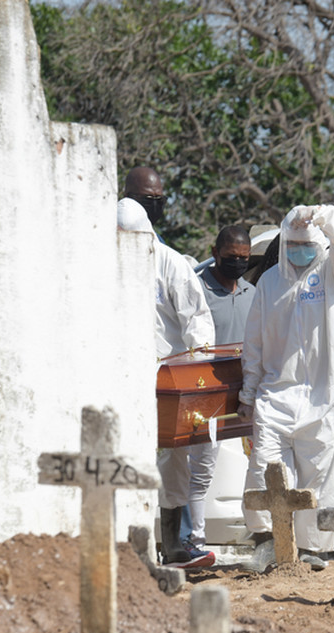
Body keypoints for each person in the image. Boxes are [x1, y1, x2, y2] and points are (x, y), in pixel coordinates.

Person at [237, 205, 334, 561]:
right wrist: (249, 392)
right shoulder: (269, 282)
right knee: (263, 470)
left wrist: (329, 218)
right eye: (291, 243)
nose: (298, 249)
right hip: (275, 395)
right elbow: (255, 343)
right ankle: (266, 543)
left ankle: (312, 549)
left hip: (324, 397)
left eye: (305, 242)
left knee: (318, 477)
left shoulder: (333, 273)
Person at [117, 168, 217, 568]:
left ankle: (174, 546)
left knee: (173, 463)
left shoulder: (170, 264)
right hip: (121, 378)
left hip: (167, 381)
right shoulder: (97, 258)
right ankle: (129, 547)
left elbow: (198, 323)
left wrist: (195, 380)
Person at [183, 225, 255, 550]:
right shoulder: (197, 291)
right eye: (231, 257)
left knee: (263, 463)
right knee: (200, 470)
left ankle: (263, 535)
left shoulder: (253, 294)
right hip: (208, 393)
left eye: (244, 258)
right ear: (215, 254)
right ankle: (195, 539)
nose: (238, 263)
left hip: (249, 392)